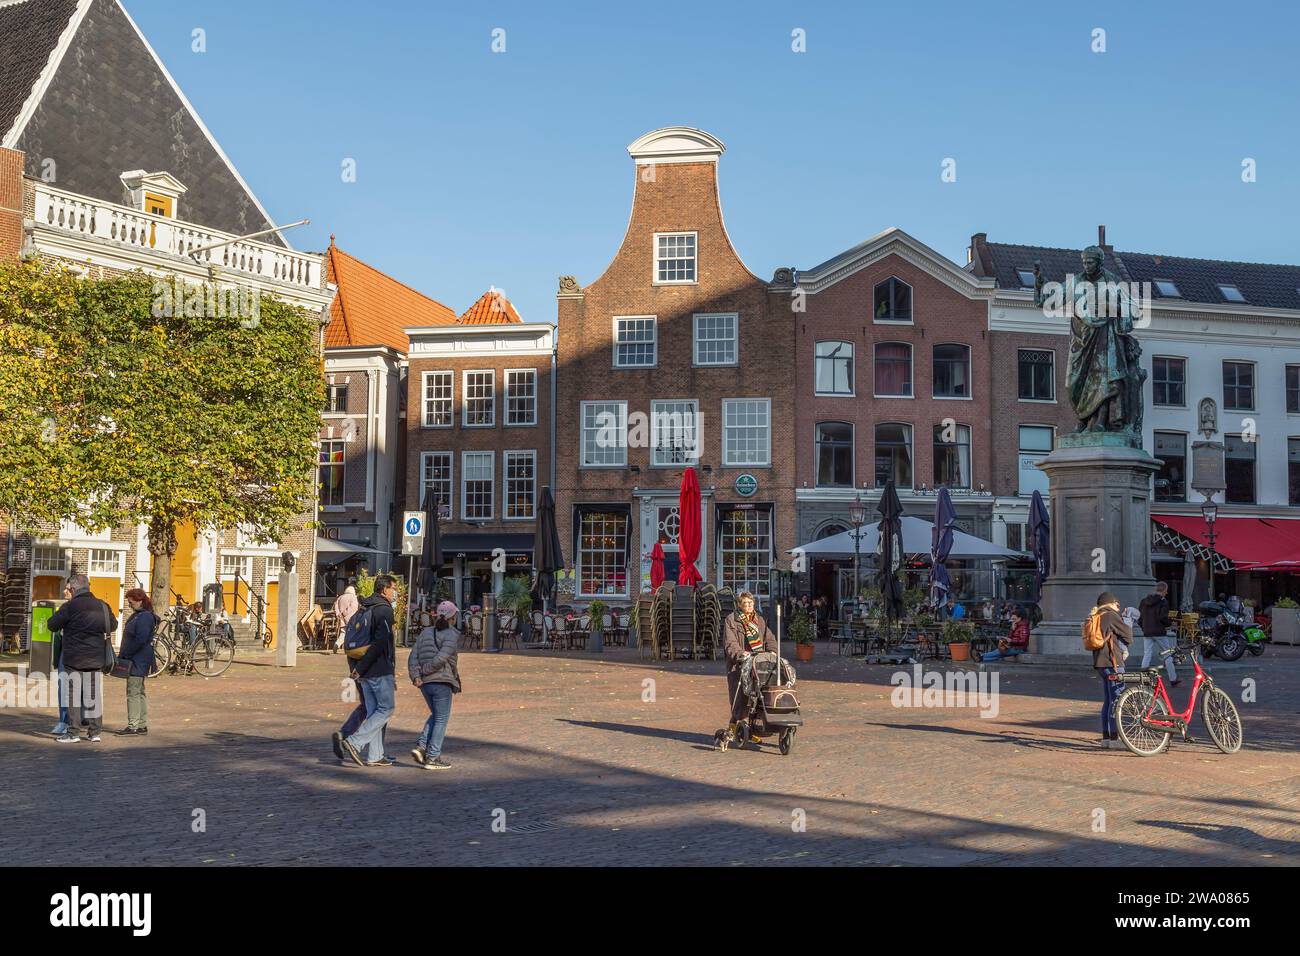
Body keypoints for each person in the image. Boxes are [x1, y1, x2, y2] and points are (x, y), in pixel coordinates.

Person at [47, 574, 117, 743]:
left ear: (73, 588)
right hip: (96, 657)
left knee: (72, 695)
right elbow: (113, 625)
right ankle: (94, 733)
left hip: (74, 658)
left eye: (67, 588)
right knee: (93, 694)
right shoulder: (102, 605)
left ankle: (73, 733)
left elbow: (52, 625)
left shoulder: (70, 607)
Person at [338, 575, 398, 767]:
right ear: (384, 590)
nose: (395, 592)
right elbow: (381, 643)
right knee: (386, 709)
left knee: (373, 712)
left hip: (363, 670)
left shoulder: (364, 607)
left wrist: (357, 669)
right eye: (393, 588)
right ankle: (355, 742)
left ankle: (375, 755)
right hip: (379, 668)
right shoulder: (384, 611)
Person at [408, 600, 461, 771]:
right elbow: (442, 658)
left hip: (425, 684)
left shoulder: (425, 632)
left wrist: (416, 675)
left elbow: (413, 657)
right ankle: (433, 756)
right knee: (441, 718)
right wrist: (425, 671)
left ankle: (421, 746)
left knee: (437, 715)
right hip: (441, 681)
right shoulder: (452, 634)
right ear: (453, 617)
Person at [721, 591, 777, 735]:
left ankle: (754, 727)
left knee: (759, 695)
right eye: (745, 603)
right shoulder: (731, 620)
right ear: (739, 605)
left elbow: (768, 638)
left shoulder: (759, 620)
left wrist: (772, 651)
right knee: (739, 698)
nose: (748, 606)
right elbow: (730, 643)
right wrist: (740, 654)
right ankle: (734, 728)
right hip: (738, 666)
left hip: (758, 664)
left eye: (751, 603)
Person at [1086, 591, 1132, 749]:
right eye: (1117, 604)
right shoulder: (1111, 615)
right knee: (1117, 700)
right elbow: (1128, 636)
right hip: (1113, 662)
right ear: (1110, 603)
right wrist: (1126, 621)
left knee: (1108, 700)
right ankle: (1114, 739)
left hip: (1100, 663)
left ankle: (1106, 737)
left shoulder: (1096, 616)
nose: (1118, 607)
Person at [114, 589, 156, 735]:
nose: (129, 604)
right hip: (140, 658)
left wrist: (126, 653)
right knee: (139, 691)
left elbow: (141, 639)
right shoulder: (141, 616)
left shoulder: (143, 617)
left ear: (139, 601)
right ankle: (141, 724)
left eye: (131, 602)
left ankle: (133, 725)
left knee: (133, 691)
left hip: (137, 659)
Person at [1138, 582, 1178, 685]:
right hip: (1159, 632)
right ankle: (1173, 679)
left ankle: (1143, 678)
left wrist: (1144, 628)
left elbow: (1140, 619)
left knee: (1147, 654)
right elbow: (1162, 618)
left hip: (1147, 632)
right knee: (1167, 654)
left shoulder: (1144, 601)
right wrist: (1169, 624)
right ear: (1164, 590)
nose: (1167, 592)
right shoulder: (1163, 602)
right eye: (1166, 590)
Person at [332, 585, 359, 653]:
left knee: (343, 633)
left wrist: (339, 614)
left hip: (341, 619)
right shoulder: (353, 597)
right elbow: (353, 608)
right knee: (352, 634)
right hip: (351, 619)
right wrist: (345, 613)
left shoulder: (340, 597)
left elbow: (336, 607)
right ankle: (348, 648)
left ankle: (337, 644)